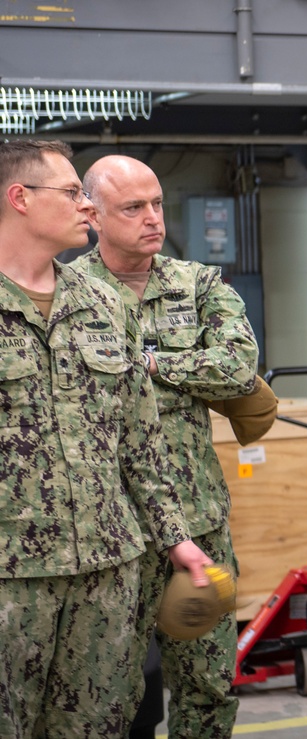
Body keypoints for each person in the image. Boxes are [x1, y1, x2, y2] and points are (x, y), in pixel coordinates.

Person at [0, 140, 212, 738]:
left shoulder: (103, 304)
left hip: (106, 574)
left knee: (100, 726)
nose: (86, 207)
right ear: (19, 198)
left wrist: (177, 540)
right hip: (11, 577)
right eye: (71, 193)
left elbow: (140, 443)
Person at [74, 155, 261, 738]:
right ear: (93, 216)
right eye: (133, 208)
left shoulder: (199, 283)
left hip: (198, 517)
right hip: (112, 530)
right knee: (107, 694)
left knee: (209, 686)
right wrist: (181, 369)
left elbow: (238, 369)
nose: (152, 218)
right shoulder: (68, 293)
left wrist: (145, 361)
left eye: (156, 203)